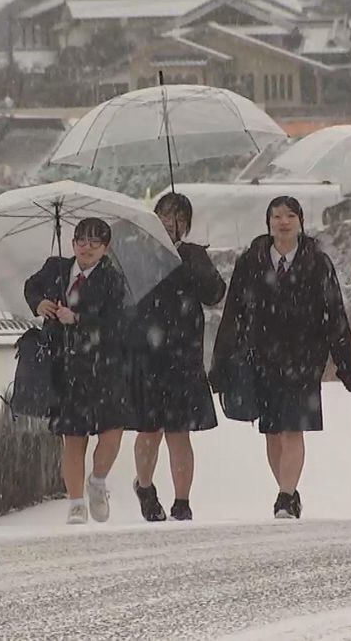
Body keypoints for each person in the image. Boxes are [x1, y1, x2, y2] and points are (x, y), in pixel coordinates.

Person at [211, 196, 351, 520]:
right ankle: (288, 490)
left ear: (301, 222)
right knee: (273, 432)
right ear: (268, 223)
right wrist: (220, 363)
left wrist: (345, 362)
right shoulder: (251, 262)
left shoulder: (317, 263)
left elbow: (334, 313)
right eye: (276, 216)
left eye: (290, 215)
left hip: (303, 360)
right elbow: (233, 313)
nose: (283, 221)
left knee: (293, 428)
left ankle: (285, 496)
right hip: (261, 358)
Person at [24, 218, 133, 525]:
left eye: (95, 243)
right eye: (81, 241)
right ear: (72, 243)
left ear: (105, 248)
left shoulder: (112, 279)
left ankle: (97, 481)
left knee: (112, 432)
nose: (87, 248)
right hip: (65, 365)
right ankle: (75, 502)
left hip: (103, 366)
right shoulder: (56, 269)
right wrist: (41, 303)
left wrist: (79, 318)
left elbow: (116, 322)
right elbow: (31, 288)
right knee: (72, 437)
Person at [130, 193, 227, 522]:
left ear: (186, 224)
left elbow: (215, 294)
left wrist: (194, 265)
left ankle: (182, 501)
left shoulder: (192, 254)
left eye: (179, 217)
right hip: (146, 356)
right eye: (165, 215)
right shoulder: (138, 253)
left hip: (184, 356)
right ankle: (144, 487)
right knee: (149, 430)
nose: (171, 222)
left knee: (179, 432)